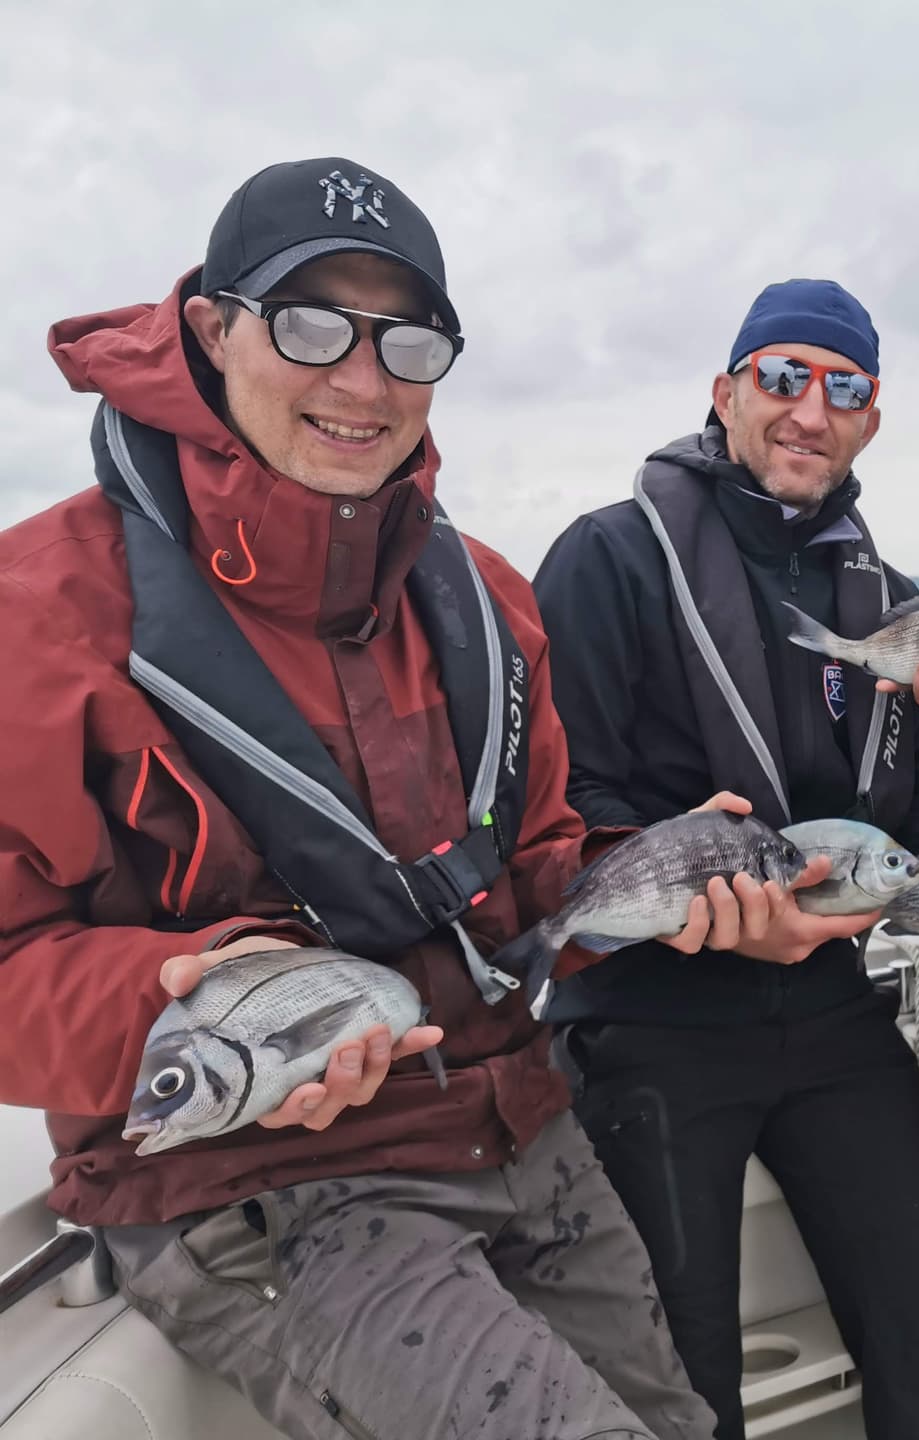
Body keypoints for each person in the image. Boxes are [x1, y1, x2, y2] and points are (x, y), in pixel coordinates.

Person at [0, 157, 717, 1440]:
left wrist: (670, 884)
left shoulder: (488, 597)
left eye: (410, 340)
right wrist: (194, 997)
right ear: (212, 331)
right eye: (312, 324)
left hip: (518, 1121)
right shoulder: (38, 614)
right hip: (259, 1178)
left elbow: (535, 859)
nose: (364, 380)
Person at [532, 279, 919, 1440]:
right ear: (727, 392)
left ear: (871, 421)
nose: (810, 409)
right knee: (676, 1383)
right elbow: (549, 807)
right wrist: (677, 864)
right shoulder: (604, 559)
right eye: (783, 377)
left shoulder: (885, 606)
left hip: (833, 1011)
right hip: (652, 1021)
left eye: (845, 389)